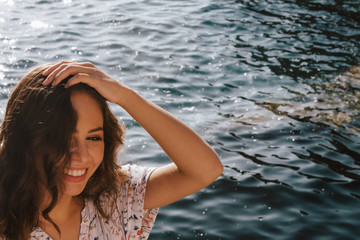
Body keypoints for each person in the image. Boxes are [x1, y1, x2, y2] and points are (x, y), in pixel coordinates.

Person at [0, 61, 223, 240]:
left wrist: (125, 96)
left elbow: (205, 170)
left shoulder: (115, 200)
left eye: (94, 137)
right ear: (24, 138)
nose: (81, 156)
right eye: (60, 138)